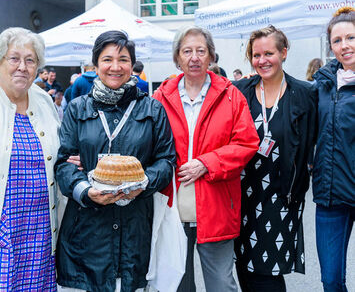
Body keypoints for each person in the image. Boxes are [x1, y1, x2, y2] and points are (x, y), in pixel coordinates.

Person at [55, 30, 175, 292]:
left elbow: (166, 160)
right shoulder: (77, 109)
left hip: (134, 230)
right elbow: (63, 163)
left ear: (132, 65)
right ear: (96, 65)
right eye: (107, 59)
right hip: (86, 233)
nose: (115, 66)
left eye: (123, 59)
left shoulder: (152, 109)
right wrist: (85, 191)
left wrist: (144, 182)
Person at [153, 25, 260, 292]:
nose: (194, 57)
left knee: (221, 284)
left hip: (216, 206)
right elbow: (143, 142)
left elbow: (246, 143)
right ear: (177, 57)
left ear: (211, 56)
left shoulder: (231, 95)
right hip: (173, 208)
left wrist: (207, 163)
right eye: (187, 51)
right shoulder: (160, 97)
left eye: (201, 51)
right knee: (178, 284)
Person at [233, 25, 317, 292]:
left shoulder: (304, 94)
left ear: (284, 52)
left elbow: (315, 138)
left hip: (281, 195)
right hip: (242, 194)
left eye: (269, 53)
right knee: (245, 266)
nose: (262, 60)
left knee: (266, 271)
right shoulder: (240, 91)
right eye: (256, 55)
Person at [0, 27, 61, 291]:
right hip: (6, 230)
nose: (22, 67)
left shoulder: (44, 102)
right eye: (14, 58)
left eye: (30, 60)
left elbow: (59, 153)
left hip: (40, 228)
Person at [312, 7, 355, 292]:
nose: (345, 46)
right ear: (330, 47)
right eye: (337, 40)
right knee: (331, 280)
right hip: (330, 196)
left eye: (351, 37)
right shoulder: (321, 85)